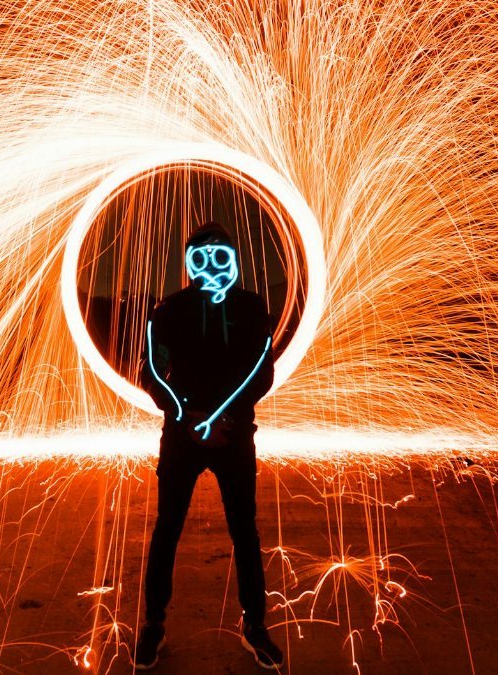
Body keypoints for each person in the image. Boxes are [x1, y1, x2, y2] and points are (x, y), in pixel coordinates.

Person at [132, 222, 284, 671]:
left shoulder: (252, 307)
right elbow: (152, 372)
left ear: (235, 259)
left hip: (233, 435)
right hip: (183, 438)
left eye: (221, 257)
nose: (211, 269)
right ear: (188, 263)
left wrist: (217, 420)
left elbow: (261, 372)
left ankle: (254, 626)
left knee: (245, 532)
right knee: (167, 530)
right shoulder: (169, 311)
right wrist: (186, 415)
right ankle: (154, 626)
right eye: (201, 259)